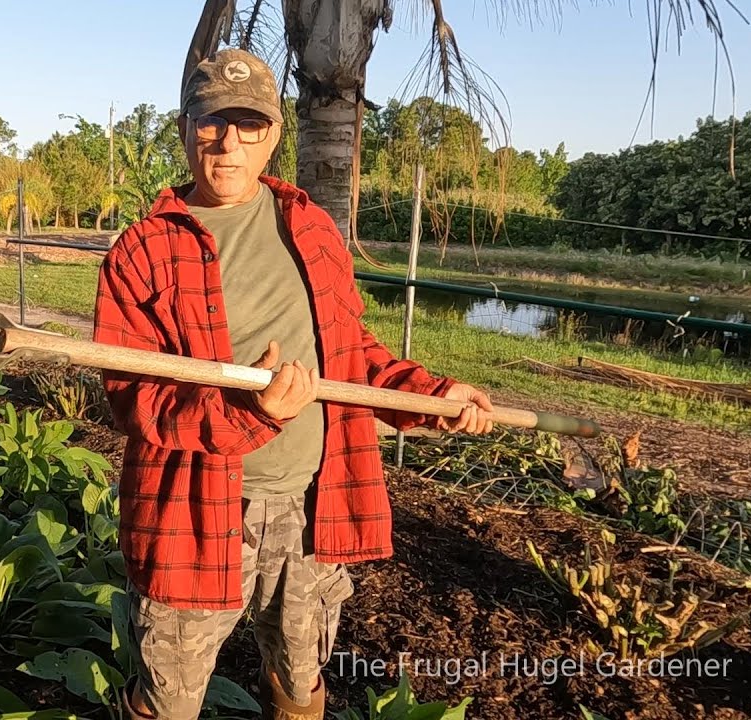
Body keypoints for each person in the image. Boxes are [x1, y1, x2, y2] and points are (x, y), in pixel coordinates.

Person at [92, 47, 496, 720]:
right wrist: (252, 416)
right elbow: (136, 399)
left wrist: (431, 397)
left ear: (274, 133)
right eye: (210, 121)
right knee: (169, 700)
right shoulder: (143, 250)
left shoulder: (310, 227)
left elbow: (351, 356)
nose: (227, 143)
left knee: (301, 685)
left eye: (248, 124)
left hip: (311, 507)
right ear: (185, 127)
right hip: (194, 512)